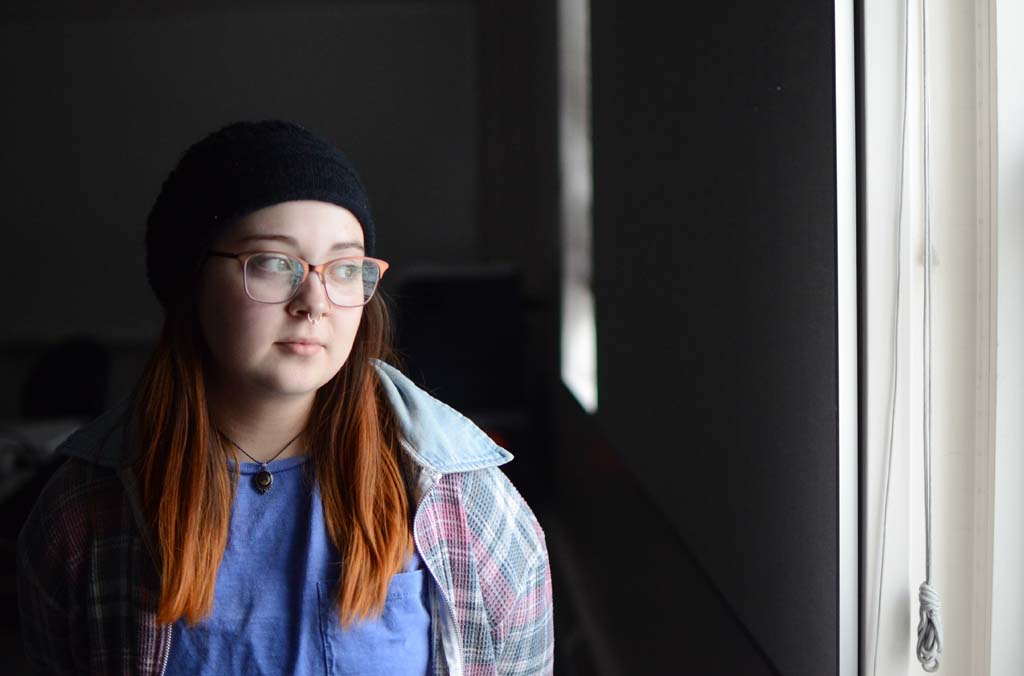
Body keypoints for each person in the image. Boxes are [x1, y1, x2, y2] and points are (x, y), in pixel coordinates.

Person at [16, 120, 553, 675]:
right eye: (274, 262)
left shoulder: (462, 501)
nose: (314, 301)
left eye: (345, 268)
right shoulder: (82, 512)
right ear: (191, 282)